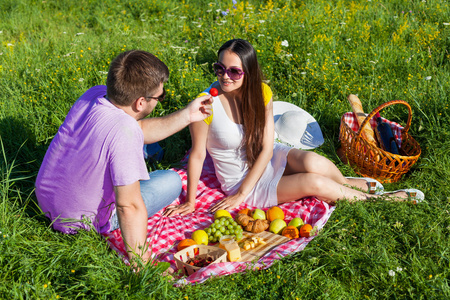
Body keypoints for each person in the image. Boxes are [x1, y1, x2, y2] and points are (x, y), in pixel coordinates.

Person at [162, 39, 423, 217]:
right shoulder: (206, 105)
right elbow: (197, 155)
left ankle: (347, 184)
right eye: (220, 68)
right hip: (240, 182)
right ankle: (383, 200)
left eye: (234, 71)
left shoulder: (261, 92)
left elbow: (266, 148)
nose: (224, 76)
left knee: (313, 161)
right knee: (312, 182)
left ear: (249, 73)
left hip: (265, 158)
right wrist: (192, 201)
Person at [35, 50, 213, 264]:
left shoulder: (95, 94)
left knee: (149, 147)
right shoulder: (123, 134)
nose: (160, 99)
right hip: (80, 221)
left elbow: (136, 129)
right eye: (160, 96)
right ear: (140, 102)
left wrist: (187, 115)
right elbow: (128, 206)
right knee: (171, 181)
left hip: (45, 201)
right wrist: (143, 264)